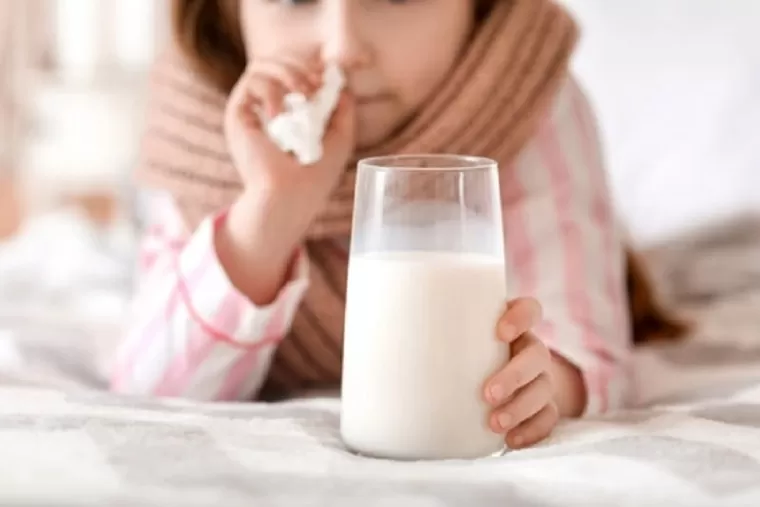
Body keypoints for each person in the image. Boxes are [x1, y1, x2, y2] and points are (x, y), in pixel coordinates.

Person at [111, 0, 686, 450]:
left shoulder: (530, 103)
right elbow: (147, 390)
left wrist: (545, 389)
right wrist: (269, 211)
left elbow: (584, 351)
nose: (342, 48)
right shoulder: (204, 130)